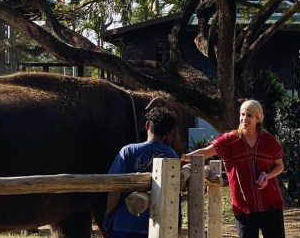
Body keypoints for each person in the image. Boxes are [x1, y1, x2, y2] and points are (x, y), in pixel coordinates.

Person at [181, 100, 285, 238]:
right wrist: (183, 157)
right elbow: (205, 152)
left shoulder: (268, 141)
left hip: (271, 205)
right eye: (242, 114)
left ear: (258, 118)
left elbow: (280, 166)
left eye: (249, 115)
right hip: (244, 206)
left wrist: (268, 176)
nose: (244, 119)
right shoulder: (230, 140)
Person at [105, 106, 179, 238]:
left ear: (147, 124)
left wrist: (109, 214)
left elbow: (115, 188)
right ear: (168, 132)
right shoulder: (172, 156)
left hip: (124, 223)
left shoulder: (128, 151)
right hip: (155, 225)